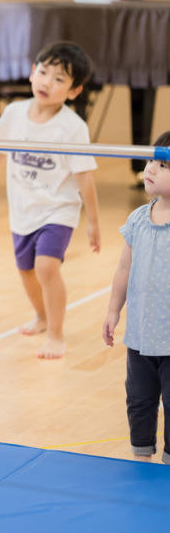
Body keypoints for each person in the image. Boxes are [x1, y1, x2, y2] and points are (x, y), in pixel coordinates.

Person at [0, 41, 100, 359]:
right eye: (43, 72)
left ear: (74, 91)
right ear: (32, 72)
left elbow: (85, 177)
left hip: (58, 211)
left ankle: (56, 334)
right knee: (26, 270)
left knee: (45, 267)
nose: (46, 82)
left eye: (59, 79)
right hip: (23, 210)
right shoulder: (15, 113)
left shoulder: (73, 128)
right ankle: (42, 316)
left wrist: (93, 223)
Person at [102, 130, 170, 463]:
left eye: (164, 165)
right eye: (151, 161)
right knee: (139, 400)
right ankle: (140, 457)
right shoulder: (138, 219)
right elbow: (123, 269)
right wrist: (113, 311)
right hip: (141, 336)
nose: (151, 169)